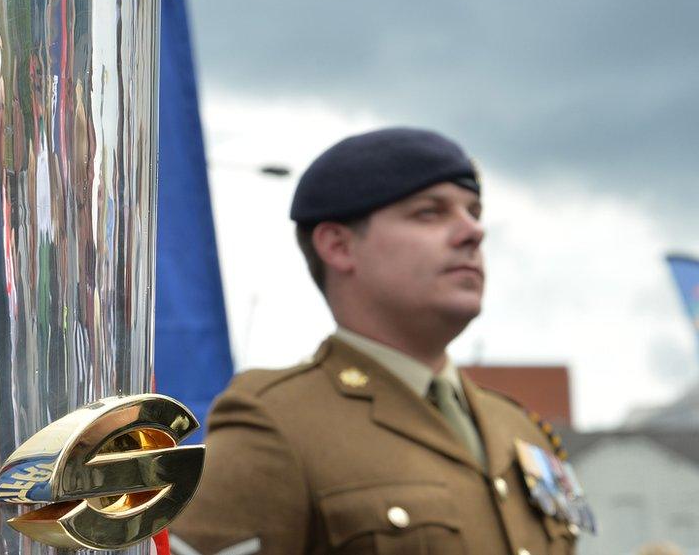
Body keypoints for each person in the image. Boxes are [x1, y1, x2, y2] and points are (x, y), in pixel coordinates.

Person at [170, 128, 579, 555]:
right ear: (338, 246)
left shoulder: (518, 428)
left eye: (473, 211)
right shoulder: (277, 421)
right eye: (429, 213)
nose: (473, 231)